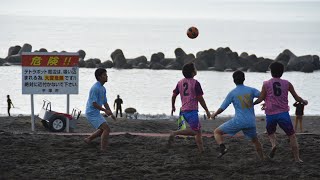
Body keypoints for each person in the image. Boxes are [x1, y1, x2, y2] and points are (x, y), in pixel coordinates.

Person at [253, 62, 308, 163]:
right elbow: (296, 97)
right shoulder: (287, 83)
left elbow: (261, 98)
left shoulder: (266, 84)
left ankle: (274, 145)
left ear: (271, 72)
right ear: (282, 72)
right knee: (292, 135)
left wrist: (252, 104)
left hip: (270, 114)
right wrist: (303, 101)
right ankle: (297, 159)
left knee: (270, 132)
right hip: (283, 114)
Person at [211, 70, 264, 159]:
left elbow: (223, 107)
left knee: (217, 132)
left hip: (239, 121)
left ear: (233, 80)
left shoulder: (232, 93)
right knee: (256, 141)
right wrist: (263, 103)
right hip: (251, 122)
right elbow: (263, 95)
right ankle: (262, 158)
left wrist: (214, 114)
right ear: (244, 79)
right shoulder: (251, 90)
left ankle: (223, 148)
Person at [169, 63, 210, 153]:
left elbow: (174, 95)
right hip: (191, 111)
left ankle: (201, 150)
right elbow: (200, 99)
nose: (196, 69)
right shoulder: (195, 83)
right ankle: (175, 133)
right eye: (195, 68)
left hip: (182, 110)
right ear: (192, 73)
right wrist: (207, 110)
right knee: (195, 132)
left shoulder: (180, 82)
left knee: (198, 131)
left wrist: (173, 106)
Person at [84, 68, 116, 152]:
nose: (107, 76)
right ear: (99, 77)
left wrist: (111, 114)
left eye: (106, 74)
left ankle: (88, 139)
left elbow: (105, 102)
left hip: (96, 112)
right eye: (104, 75)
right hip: (91, 112)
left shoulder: (103, 88)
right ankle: (103, 149)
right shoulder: (95, 88)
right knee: (106, 129)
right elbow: (93, 104)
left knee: (103, 129)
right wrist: (105, 110)